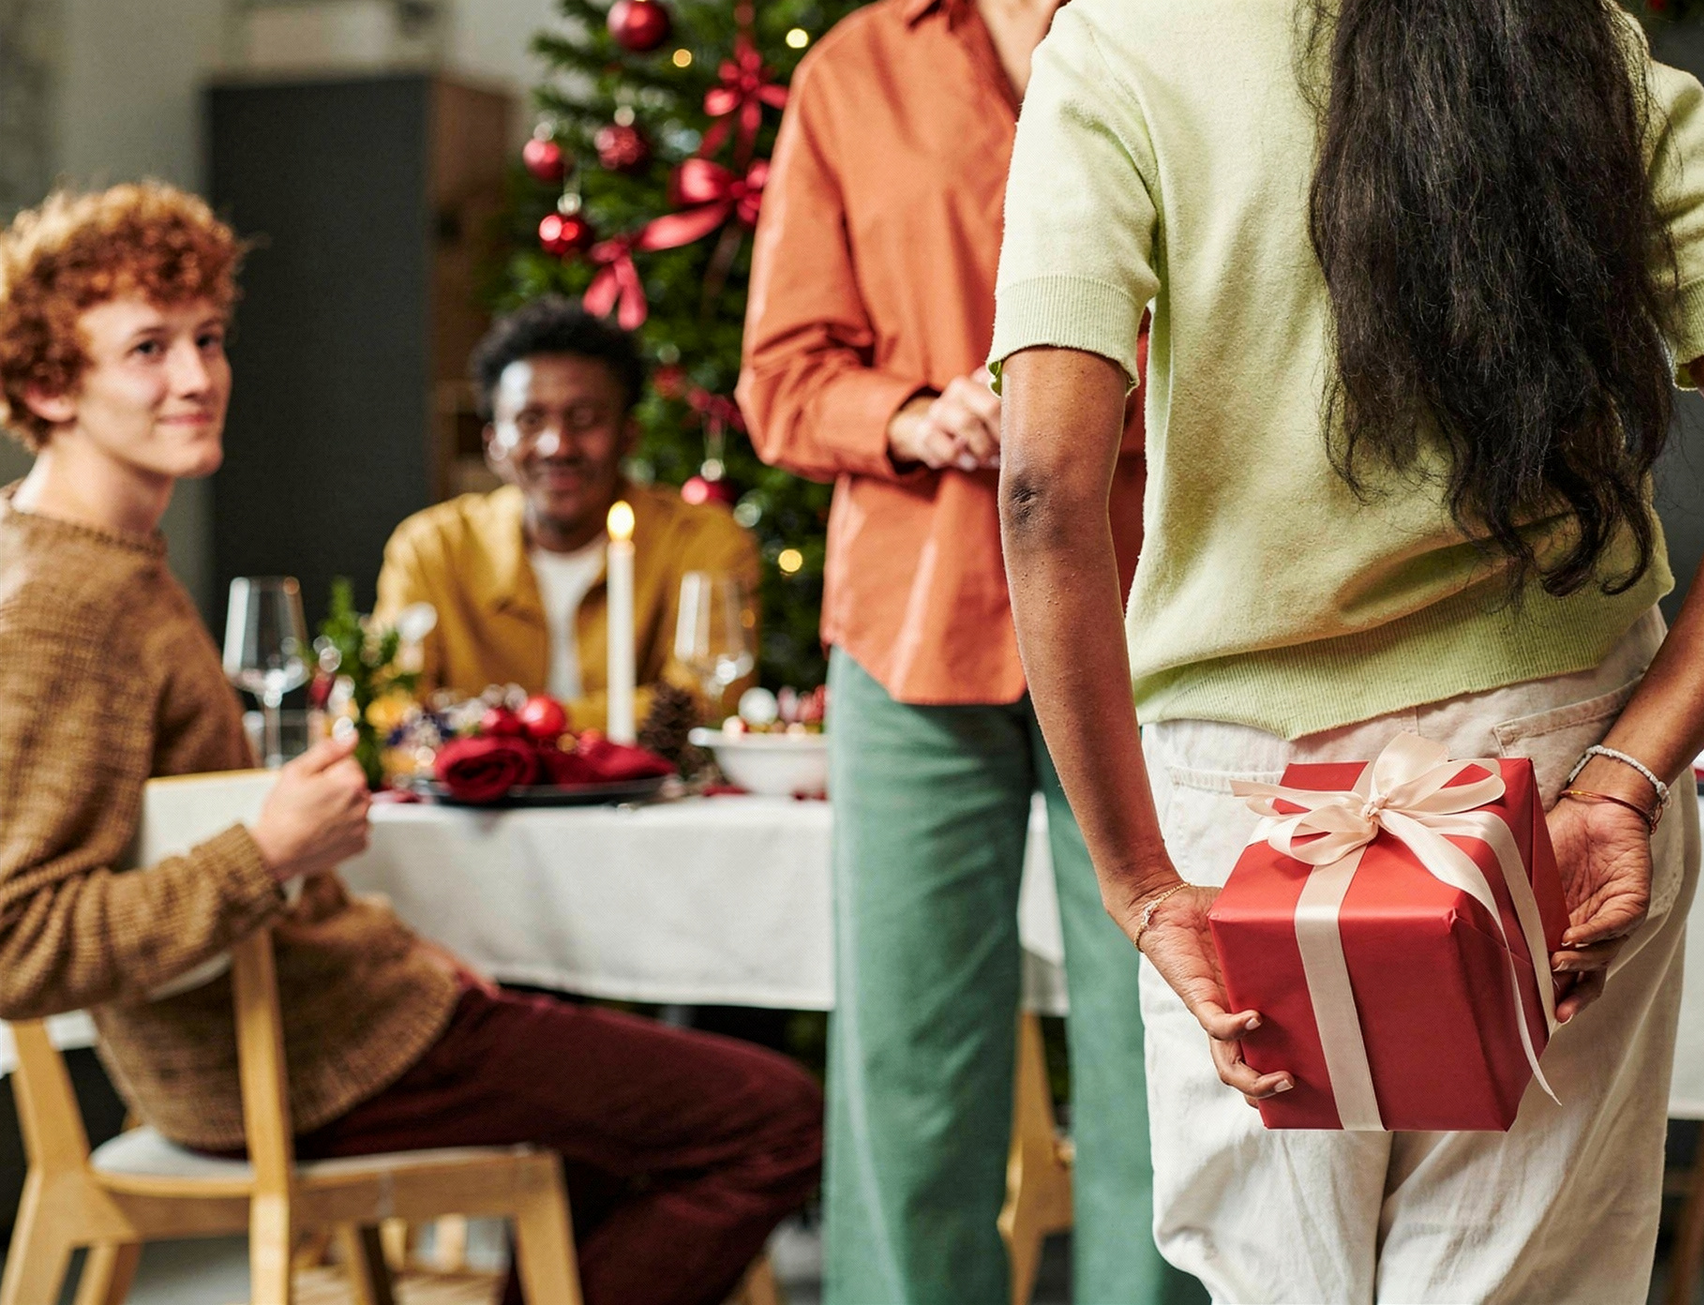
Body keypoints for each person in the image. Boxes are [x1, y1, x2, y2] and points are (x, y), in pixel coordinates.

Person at [989, 2, 1704, 1301]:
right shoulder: (1583, 45)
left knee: (1276, 1278)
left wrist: (1136, 880)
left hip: (1243, 805)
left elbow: (1042, 489)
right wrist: (1625, 781)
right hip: (1551, 774)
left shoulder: (1123, 48)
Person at [0, 184, 819, 1305]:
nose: (197, 377)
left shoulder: (104, 560)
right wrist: (268, 851)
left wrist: (391, 944)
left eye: (207, 339)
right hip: (297, 1063)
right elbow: (16, 940)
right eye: (147, 349)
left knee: (612, 1125)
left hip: (331, 1017)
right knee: (771, 1121)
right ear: (49, 382)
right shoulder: (66, 602)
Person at [738, 2, 1200, 1302]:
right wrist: (910, 415)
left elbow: (1255, 318)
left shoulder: (1180, 37)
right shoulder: (856, 67)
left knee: (1163, 1038)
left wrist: (1089, 402)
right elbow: (782, 375)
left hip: (1148, 620)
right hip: (913, 628)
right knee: (908, 1062)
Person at [375, 297, 759, 730]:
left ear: (629, 434)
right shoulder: (431, 548)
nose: (558, 445)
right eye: (529, 420)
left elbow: (707, 700)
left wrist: (534, 722)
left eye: (585, 418)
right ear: (493, 444)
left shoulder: (703, 539)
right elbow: (390, 704)